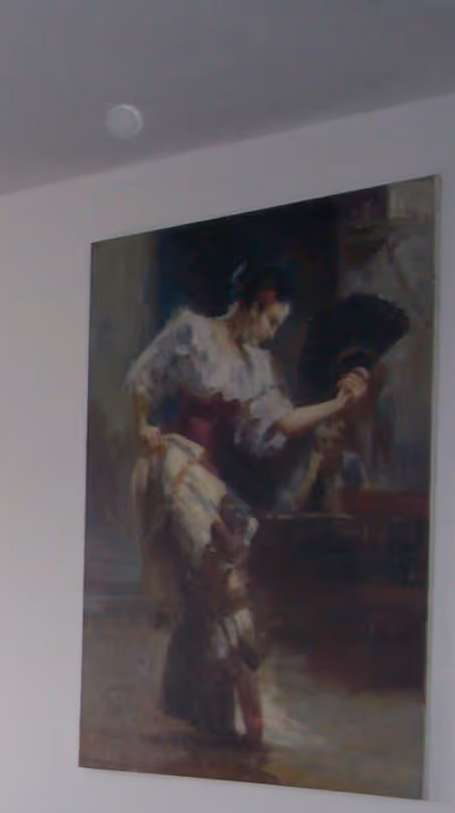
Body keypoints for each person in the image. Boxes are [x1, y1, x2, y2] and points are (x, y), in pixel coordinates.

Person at [125, 262, 370, 747]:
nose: (272, 333)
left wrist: (339, 405)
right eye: (272, 321)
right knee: (224, 574)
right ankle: (248, 713)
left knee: (213, 583)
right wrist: (142, 426)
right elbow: (141, 377)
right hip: (175, 467)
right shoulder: (192, 333)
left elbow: (283, 424)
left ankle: (208, 710)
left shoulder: (256, 367)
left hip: (207, 476)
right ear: (256, 304)